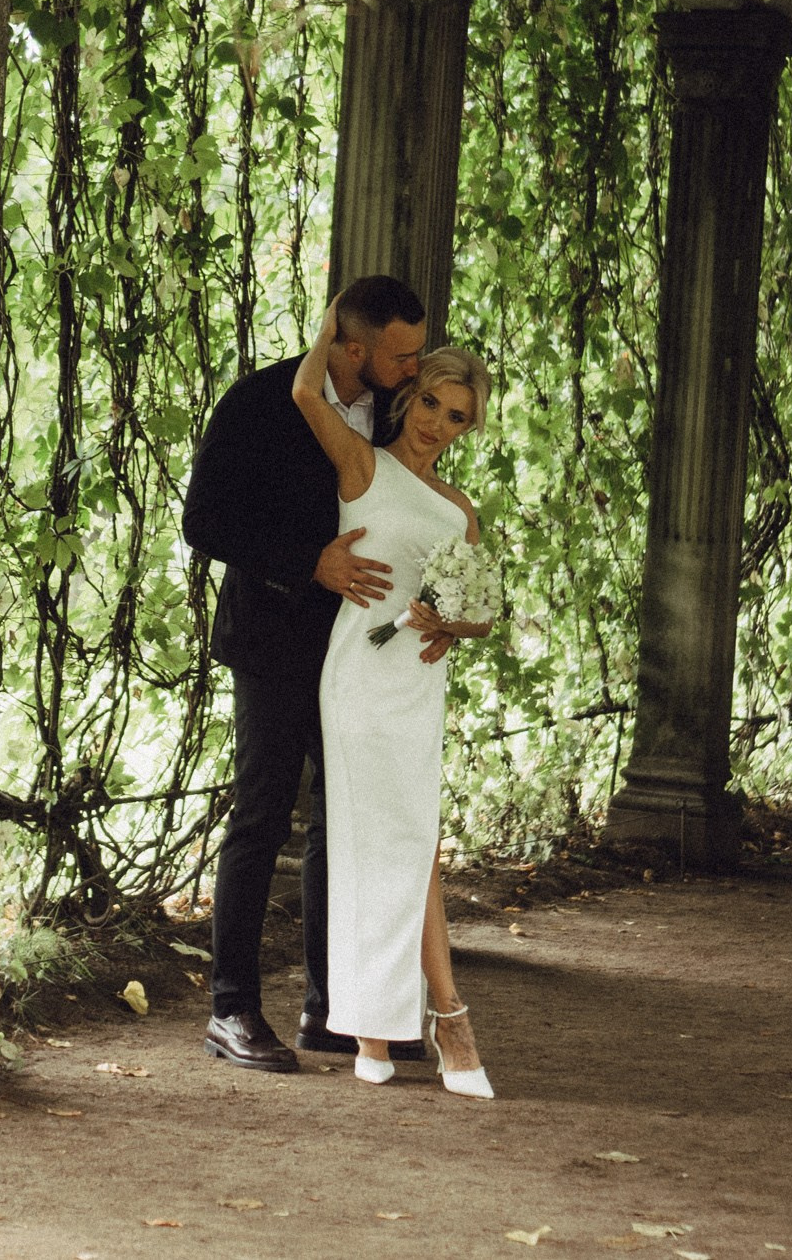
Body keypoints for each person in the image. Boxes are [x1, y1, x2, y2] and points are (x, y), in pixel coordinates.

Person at [182, 275, 428, 1072]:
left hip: (361, 646)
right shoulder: (258, 400)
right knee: (260, 815)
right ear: (353, 347)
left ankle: (333, 1008)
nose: (414, 369)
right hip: (273, 638)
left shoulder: (395, 409)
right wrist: (304, 563)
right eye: (401, 354)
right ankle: (231, 1008)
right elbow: (204, 519)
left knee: (343, 823)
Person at [291, 300, 498, 1098]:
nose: (440, 426)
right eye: (435, 405)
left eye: (458, 419)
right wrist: (337, 319)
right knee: (387, 843)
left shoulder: (458, 511)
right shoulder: (363, 467)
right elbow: (310, 393)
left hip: (417, 679)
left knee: (409, 842)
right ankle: (449, 1021)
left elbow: (477, 611)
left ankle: (376, 1036)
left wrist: (449, 622)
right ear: (412, 395)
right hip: (357, 678)